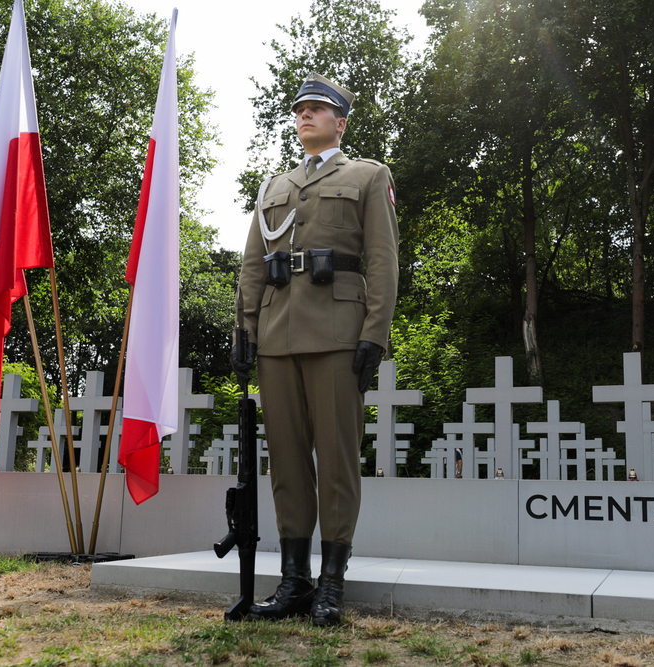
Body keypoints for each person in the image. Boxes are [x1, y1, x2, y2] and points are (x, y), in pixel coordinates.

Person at [231, 72, 399, 626]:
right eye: (299, 110)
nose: (304, 116)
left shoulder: (369, 177)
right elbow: (254, 264)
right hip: (278, 336)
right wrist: (245, 328)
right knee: (286, 462)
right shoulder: (273, 187)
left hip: (337, 332)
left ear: (339, 122)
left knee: (336, 459)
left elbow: (382, 260)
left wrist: (375, 333)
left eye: (317, 109)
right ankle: (295, 581)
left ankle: (332, 582)